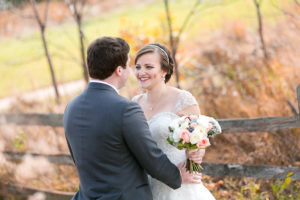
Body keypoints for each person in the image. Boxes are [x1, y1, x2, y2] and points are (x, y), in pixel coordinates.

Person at [63, 37, 201, 200]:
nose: (134, 72)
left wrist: (196, 155)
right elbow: (150, 157)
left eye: (148, 67)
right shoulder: (126, 108)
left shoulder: (71, 107)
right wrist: (177, 176)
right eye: (131, 66)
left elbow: (79, 158)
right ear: (119, 71)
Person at [133, 43, 216, 200]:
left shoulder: (183, 100)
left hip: (179, 187)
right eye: (138, 67)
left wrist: (191, 168)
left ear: (164, 70)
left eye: (148, 67)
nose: (141, 72)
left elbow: (199, 143)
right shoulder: (134, 103)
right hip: (146, 186)